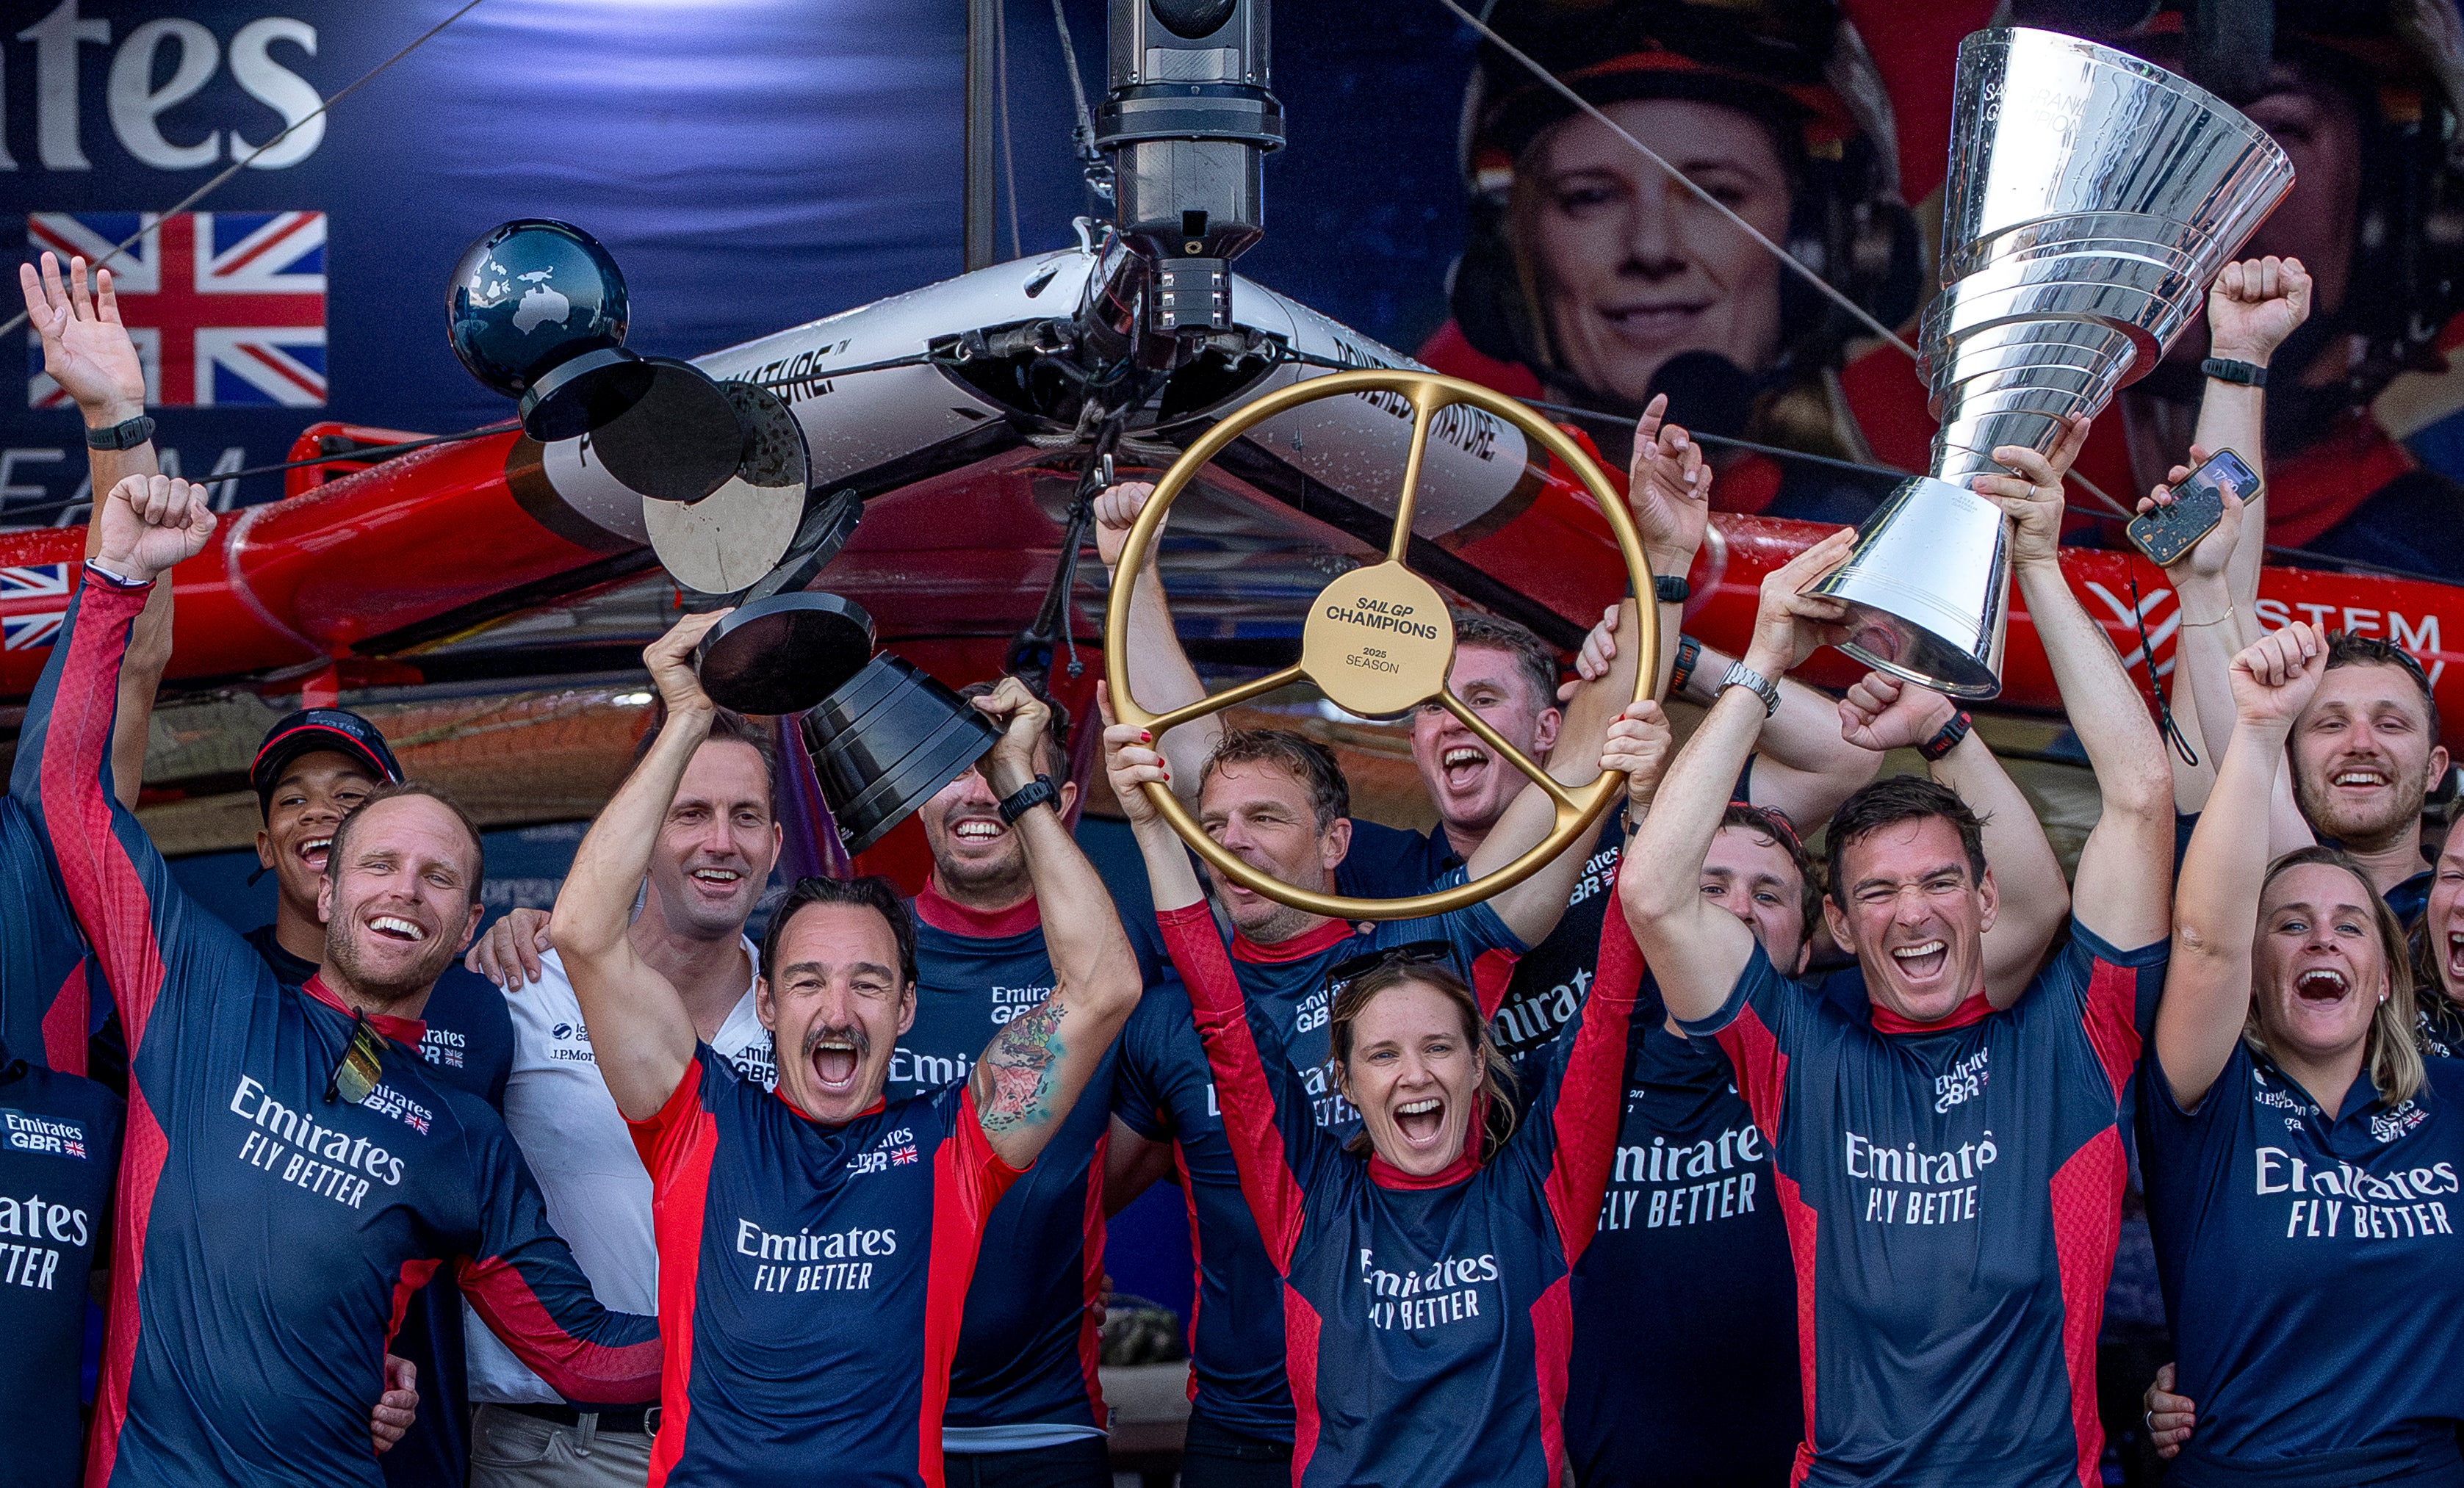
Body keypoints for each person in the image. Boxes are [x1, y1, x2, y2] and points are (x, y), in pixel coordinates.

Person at [29, 472, 659, 1487]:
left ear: (465, 929)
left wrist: (782, 1321)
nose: (402, 888)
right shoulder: (199, 996)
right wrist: (113, 582)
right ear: (324, 888)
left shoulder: (464, 1138)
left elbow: (583, 1350)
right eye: (377, 863)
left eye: (438, 875)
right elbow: (70, 802)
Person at [1620, 422, 2175, 1484]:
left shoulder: (2075, 1036)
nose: (1910, 912)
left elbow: (2140, 795)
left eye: (1934, 883)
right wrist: (1764, 663)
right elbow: (1652, 890)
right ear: (1837, 923)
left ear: (1984, 900)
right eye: (1875, 889)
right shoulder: (1798, 1059)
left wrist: (2043, 572)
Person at [552, 612, 1143, 1488]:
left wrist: (1017, 780)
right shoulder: (698, 1122)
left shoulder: (955, 1147)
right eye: (807, 981)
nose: (839, 1008)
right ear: (765, 1001)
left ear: (906, 1009)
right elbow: (584, 931)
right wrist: (682, 720)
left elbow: (1105, 987)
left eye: (868, 983)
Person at [1103, 689, 1661, 1484]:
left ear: (1480, 1059)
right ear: (1343, 1078)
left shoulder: (1534, 1192)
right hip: (1250, 1425)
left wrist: (1639, 797)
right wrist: (1154, 826)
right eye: (1214, 827)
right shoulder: (1308, 1196)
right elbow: (1222, 1014)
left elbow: (1611, 1008)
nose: (1414, 1072)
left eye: (1437, 1045)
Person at [2141, 620, 2464, 1486]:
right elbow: (2209, 939)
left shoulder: (2453, 1101)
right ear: (2254, 971)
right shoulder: (2210, 1103)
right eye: (2291, 925)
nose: (2323, 940)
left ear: (2392, 976)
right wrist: (2249, 720)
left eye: (2351, 927)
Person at [1423, 0, 1917, 520]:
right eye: (1590, 196)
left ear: (1832, 248)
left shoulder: (1916, 566)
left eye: (1715, 194)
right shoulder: (1421, 541)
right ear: (1506, 257)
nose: (1651, 249)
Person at [461, 706, 785, 1487]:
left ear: (775, 844)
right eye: (689, 813)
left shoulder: (802, 1017)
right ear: (637, 834)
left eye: (746, 817)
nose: (720, 842)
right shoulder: (522, 988)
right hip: (552, 1450)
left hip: (749, 1441)